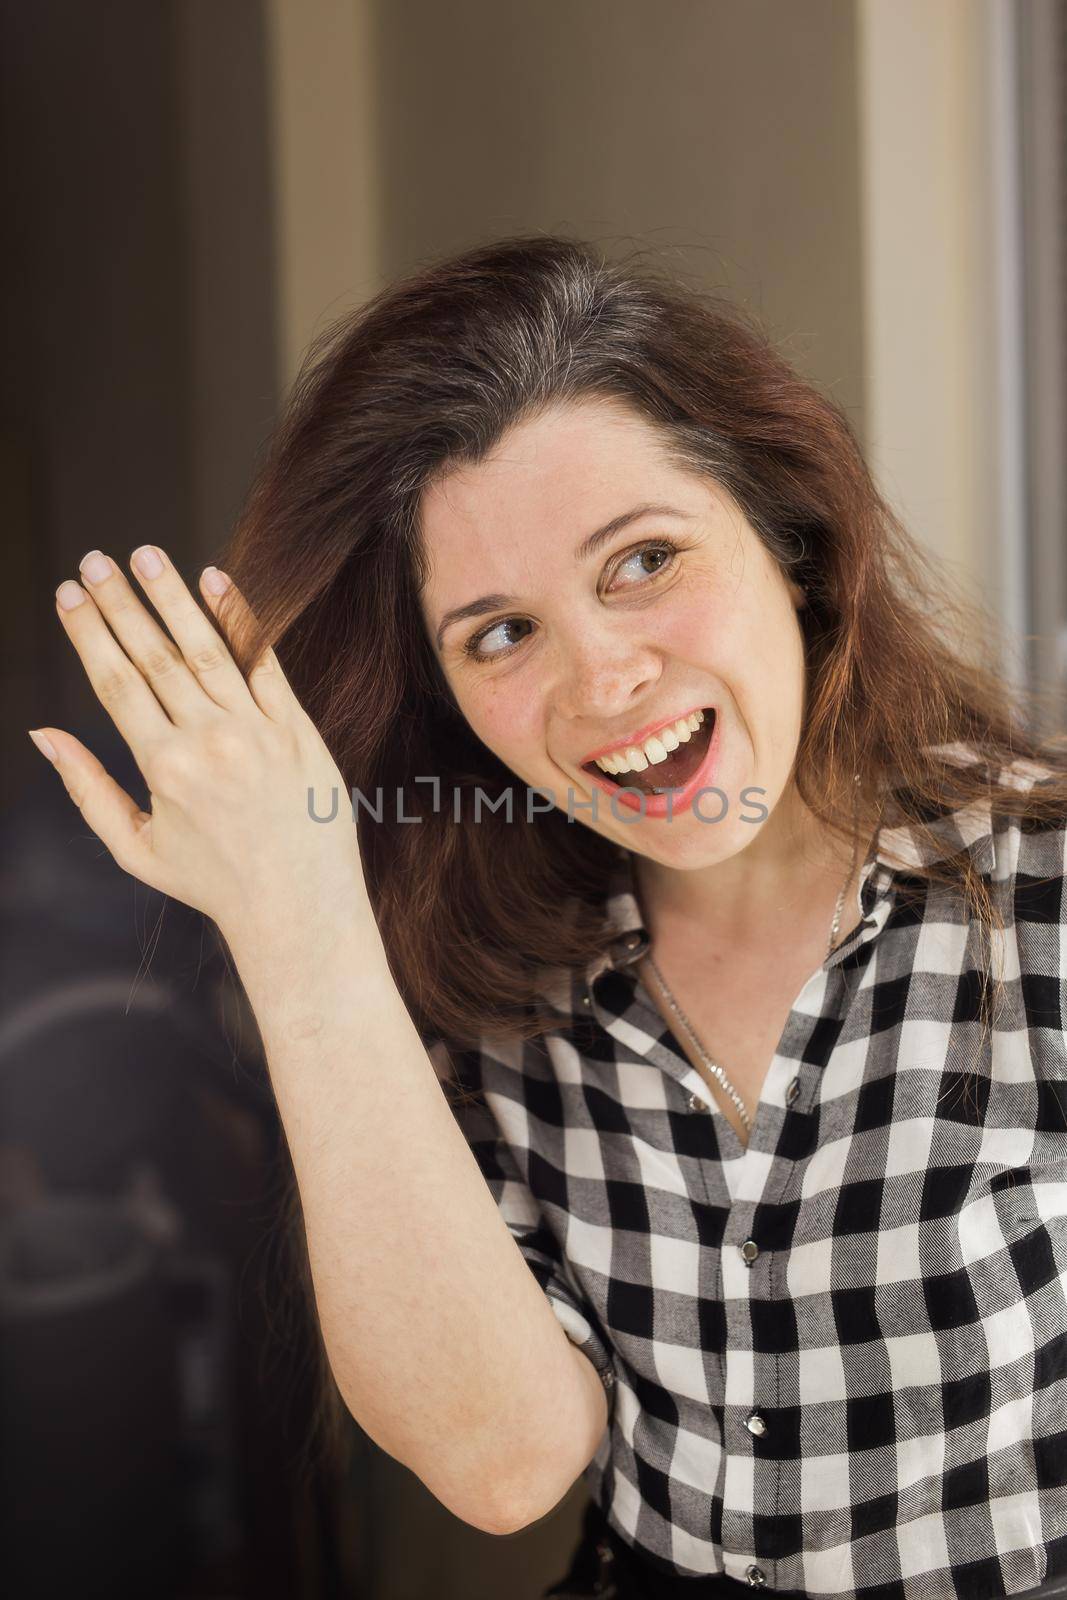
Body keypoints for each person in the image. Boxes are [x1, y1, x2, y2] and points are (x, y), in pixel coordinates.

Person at [28, 234, 1067, 1600]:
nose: (604, 679)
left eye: (642, 561)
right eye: (500, 633)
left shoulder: (1037, 899)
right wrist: (302, 924)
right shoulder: (488, 964)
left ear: (793, 544)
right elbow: (505, 1466)